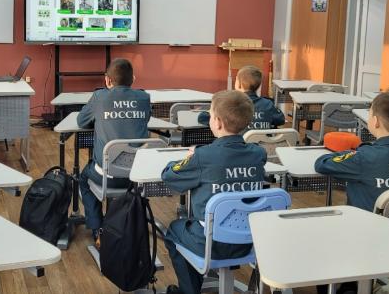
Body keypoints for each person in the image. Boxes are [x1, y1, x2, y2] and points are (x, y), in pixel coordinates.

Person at [162, 90, 266, 294]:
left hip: (211, 243)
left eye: (210, 114)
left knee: (174, 230)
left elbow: (169, 176)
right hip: (250, 241)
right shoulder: (258, 154)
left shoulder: (203, 156)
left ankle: (189, 291)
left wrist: (191, 158)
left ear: (217, 122)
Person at [76, 59, 151, 242]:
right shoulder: (144, 98)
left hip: (107, 176)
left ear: (108, 80)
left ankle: (98, 229)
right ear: (133, 79)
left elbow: (81, 121)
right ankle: (129, 223)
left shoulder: (99, 97)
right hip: (138, 178)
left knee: (83, 179)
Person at [314, 92, 389, 212]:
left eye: (370, 114)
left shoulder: (364, 157)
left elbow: (322, 163)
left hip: (366, 221)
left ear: (376, 121)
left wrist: (350, 152)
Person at [198, 65, 284, 130]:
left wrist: (211, 110)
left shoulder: (230, 104)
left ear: (238, 83)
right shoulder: (267, 104)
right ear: (258, 85)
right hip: (262, 147)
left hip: (236, 146)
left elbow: (202, 118)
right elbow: (280, 120)